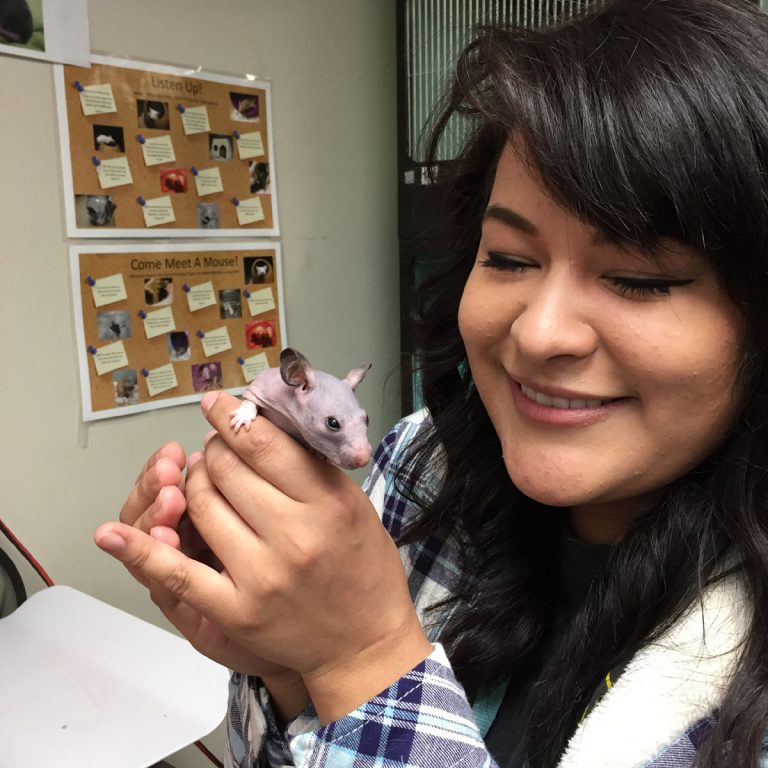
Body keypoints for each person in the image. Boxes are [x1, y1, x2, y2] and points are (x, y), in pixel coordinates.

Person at [95, 0, 768, 765]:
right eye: (510, 259)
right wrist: (290, 663)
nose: (539, 333)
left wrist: (365, 660)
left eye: (638, 279)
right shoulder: (422, 465)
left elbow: (363, 677)